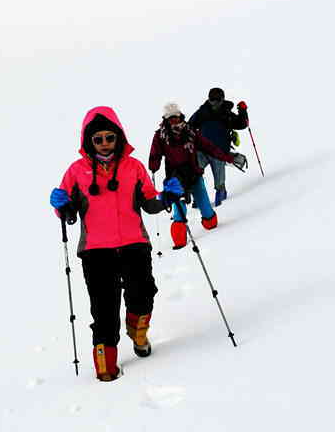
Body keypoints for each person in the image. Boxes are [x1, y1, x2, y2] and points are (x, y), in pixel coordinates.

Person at [49, 106, 184, 382]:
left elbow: (149, 202)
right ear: (88, 141)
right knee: (103, 309)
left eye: (109, 137)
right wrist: (62, 207)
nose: (104, 144)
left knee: (143, 294)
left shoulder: (133, 167)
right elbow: (70, 212)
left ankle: (138, 333)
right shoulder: (76, 172)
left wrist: (167, 197)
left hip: (135, 244)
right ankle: (106, 367)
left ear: (118, 136)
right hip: (95, 252)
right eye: (98, 139)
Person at [149, 103, 247, 250]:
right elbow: (155, 155)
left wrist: (227, 157)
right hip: (175, 180)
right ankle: (179, 243)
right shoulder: (160, 136)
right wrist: (154, 165)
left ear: (180, 116)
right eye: (170, 119)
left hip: (194, 175)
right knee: (179, 212)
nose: (174, 121)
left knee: (207, 212)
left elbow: (209, 147)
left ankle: (210, 223)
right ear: (165, 120)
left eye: (175, 117)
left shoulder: (190, 132)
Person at [188, 87, 250, 207]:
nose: (214, 102)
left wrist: (243, 111)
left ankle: (216, 194)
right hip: (207, 150)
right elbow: (189, 126)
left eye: (217, 99)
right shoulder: (203, 112)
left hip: (217, 152)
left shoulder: (223, 113)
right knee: (195, 173)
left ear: (222, 99)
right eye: (212, 99)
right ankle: (202, 195)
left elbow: (242, 124)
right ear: (209, 99)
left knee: (206, 174)